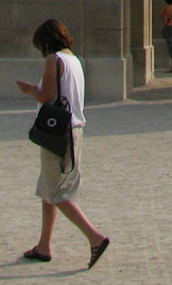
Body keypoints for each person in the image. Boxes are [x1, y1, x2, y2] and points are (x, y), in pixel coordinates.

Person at [16, 19, 110, 269]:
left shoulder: (54, 60)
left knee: (57, 193)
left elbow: (46, 96)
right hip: (75, 129)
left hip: (56, 132)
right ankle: (43, 245)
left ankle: (95, 238)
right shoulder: (74, 60)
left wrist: (29, 90)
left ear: (47, 42)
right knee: (48, 188)